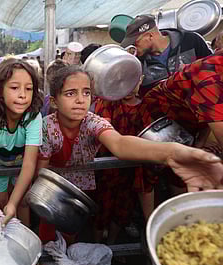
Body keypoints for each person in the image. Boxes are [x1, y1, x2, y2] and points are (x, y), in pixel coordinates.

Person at [36, 65, 223, 243]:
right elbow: (42, 173)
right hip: (52, 186)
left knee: (71, 230)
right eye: (70, 93)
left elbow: (120, 143)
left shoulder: (92, 122)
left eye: (86, 92)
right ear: (54, 101)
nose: (80, 99)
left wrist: (172, 152)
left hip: (80, 186)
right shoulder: (46, 126)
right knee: (47, 229)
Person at [94, 76, 157, 244]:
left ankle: (111, 245)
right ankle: (95, 246)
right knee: (102, 210)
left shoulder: (145, 106)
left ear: (141, 80)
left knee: (123, 211)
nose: (128, 88)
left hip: (132, 170)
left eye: (133, 82)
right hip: (107, 169)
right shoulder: (108, 102)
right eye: (124, 82)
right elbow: (101, 132)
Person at [0, 58, 43, 227]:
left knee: (22, 202)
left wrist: (14, 203)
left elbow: (30, 164)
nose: (22, 95)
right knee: (0, 201)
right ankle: (1, 239)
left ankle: (24, 239)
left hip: (21, 166)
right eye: (14, 88)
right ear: (0, 91)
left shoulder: (33, 117)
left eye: (28, 89)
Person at [120, 15, 212, 94]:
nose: (133, 47)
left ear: (150, 36)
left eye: (135, 42)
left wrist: (191, 72)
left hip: (204, 106)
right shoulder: (137, 64)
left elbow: (215, 70)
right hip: (171, 113)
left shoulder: (191, 40)